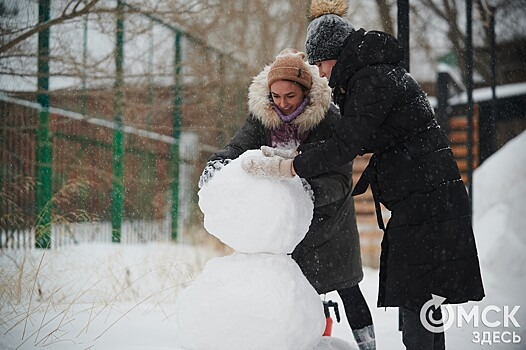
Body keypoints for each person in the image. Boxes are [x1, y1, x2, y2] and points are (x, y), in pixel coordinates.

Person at [241, 1, 485, 349]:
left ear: (335, 55)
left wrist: (288, 165)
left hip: (427, 204)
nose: (322, 74)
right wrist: (296, 155)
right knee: (418, 302)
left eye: (321, 64)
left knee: (417, 300)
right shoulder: (375, 73)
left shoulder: (372, 79)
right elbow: (363, 140)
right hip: (426, 200)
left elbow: (345, 144)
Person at [199, 48, 376, 349]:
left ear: (305, 92)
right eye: (275, 96)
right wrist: (218, 164)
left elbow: (338, 179)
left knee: (347, 288)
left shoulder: (328, 120)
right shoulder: (262, 118)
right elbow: (237, 148)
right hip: (289, 229)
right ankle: (312, 343)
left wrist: (305, 193)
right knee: (299, 294)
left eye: (290, 96)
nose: (282, 103)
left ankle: (368, 344)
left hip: (330, 224)